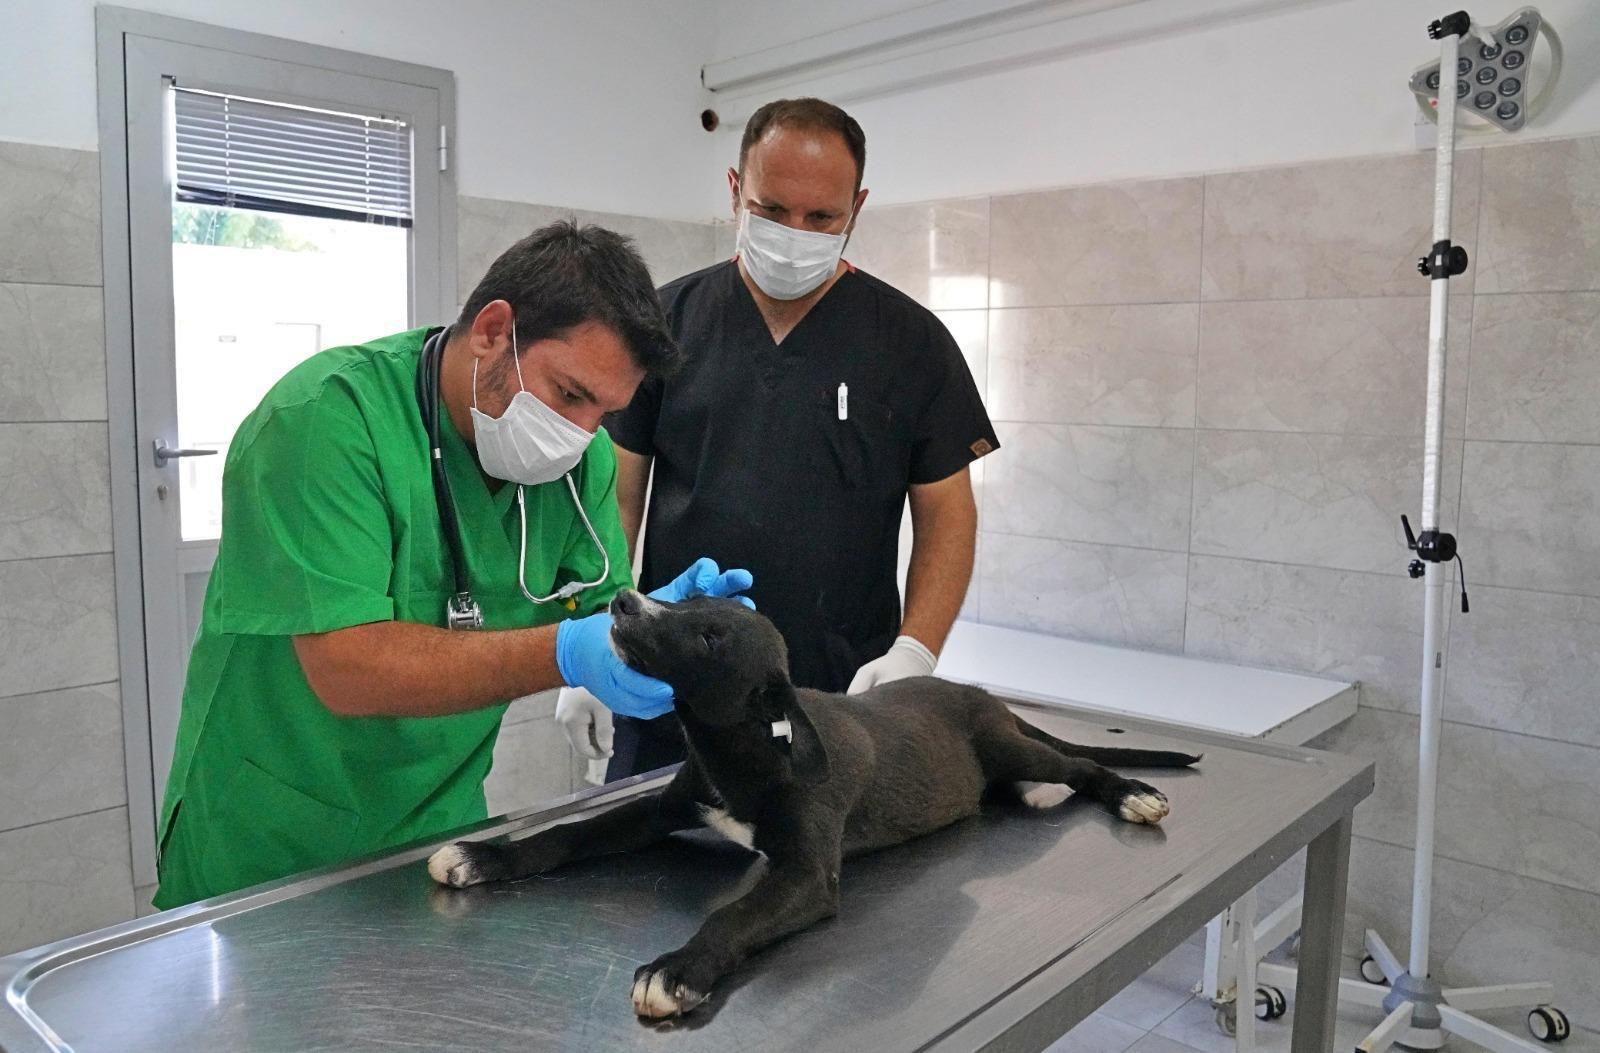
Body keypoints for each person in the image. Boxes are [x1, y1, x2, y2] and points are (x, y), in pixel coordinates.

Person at [153, 222, 750, 909]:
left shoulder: (579, 464)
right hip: (275, 838)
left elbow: (598, 606)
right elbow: (346, 667)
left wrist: (662, 628)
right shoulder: (324, 421)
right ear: (494, 331)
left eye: (605, 413)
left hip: (437, 827)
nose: (583, 433)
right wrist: (567, 653)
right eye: (568, 394)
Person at [554, 98, 999, 781]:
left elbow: (947, 514)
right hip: (673, 682)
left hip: (842, 698)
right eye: (772, 210)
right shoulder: (664, 325)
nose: (795, 234)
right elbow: (613, 499)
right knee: (649, 843)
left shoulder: (912, 344)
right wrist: (597, 641)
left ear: (857, 207)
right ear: (736, 190)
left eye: (821, 217)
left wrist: (916, 650)